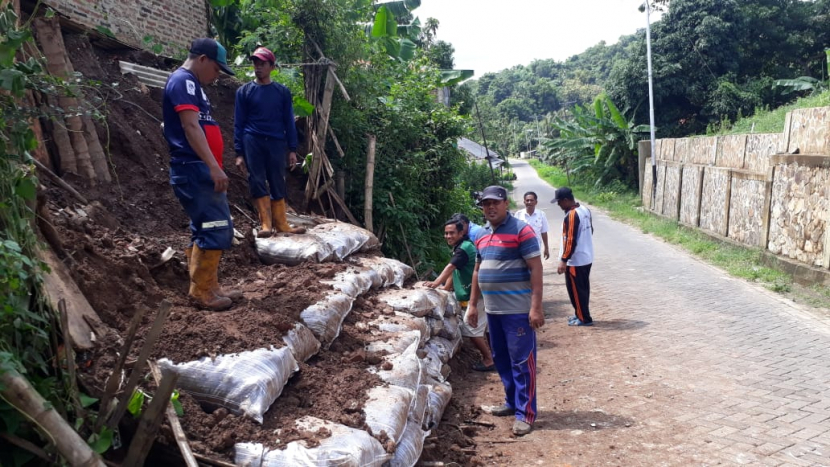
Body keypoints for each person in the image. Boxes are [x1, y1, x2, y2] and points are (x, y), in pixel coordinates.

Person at [163, 38, 242, 311]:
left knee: (205, 227)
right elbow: (191, 127)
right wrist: (212, 165)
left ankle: (209, 286)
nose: (217, 76)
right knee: (215, 226)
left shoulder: (193, 84)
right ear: (203, 59)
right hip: (194, 168)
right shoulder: (183, 82)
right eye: (217, 69)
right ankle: (202, 292)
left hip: (198, 167)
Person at [468, 185, 544, 436]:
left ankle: (526, 413)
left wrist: (535, 307)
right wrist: (472, 305)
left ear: (505, 204)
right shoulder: (481, 235)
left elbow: (536, 269)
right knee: (501, 359)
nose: (490, 207)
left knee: (522, 361)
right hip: (493, 310)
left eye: (495, 203)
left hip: (518, 311)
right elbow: (478, 270)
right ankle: (512, 403)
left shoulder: (522, 231)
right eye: (485, 204)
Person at [233, 46, 305, 237]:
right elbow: (238, 122)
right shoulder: (244, 92)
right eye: (256, 63)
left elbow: (288, 121)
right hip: (252, 140)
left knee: (277, 180)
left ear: (272, 66)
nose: (258, 67)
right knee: (256, 179)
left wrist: (292, 148)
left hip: (275, 141)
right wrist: (239, 152)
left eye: (262, 63)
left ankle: (282, 223)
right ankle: (266, 224)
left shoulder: (282, 92)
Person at [424, 219, 495, 372]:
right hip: (479, 293)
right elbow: (456, 269)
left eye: (452, 233)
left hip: (475, 295)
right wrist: (447, 287)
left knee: (471, 329)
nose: (448, 236)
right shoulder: (463, 246)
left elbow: (450, 267)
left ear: (461, 232)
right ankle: (496, 356)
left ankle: (489, 360)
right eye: (446, 233)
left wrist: (436, 283)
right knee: (488, 328)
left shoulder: (463, 248)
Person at [551, 187, 594, 326]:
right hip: (586, 256)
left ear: (566, 200)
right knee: (582, 288)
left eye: (559, 202)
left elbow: (570, 240)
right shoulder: (585, 210)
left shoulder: (572, 215)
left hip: (576, 260)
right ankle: (579, 314)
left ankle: (583, 318)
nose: (558, 205)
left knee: (576, 290)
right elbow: (590, 230)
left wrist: (564, 260)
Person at [515, 191, 550, 260]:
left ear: (536, 202)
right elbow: (514, 232)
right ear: (524, 202)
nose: (529, 202)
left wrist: (546, 248)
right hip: (521, 248)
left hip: (536, 248)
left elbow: (544, 232)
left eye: (531, 200)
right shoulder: (518, 214)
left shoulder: (541, 214)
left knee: (535, 268)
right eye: (527, 200)